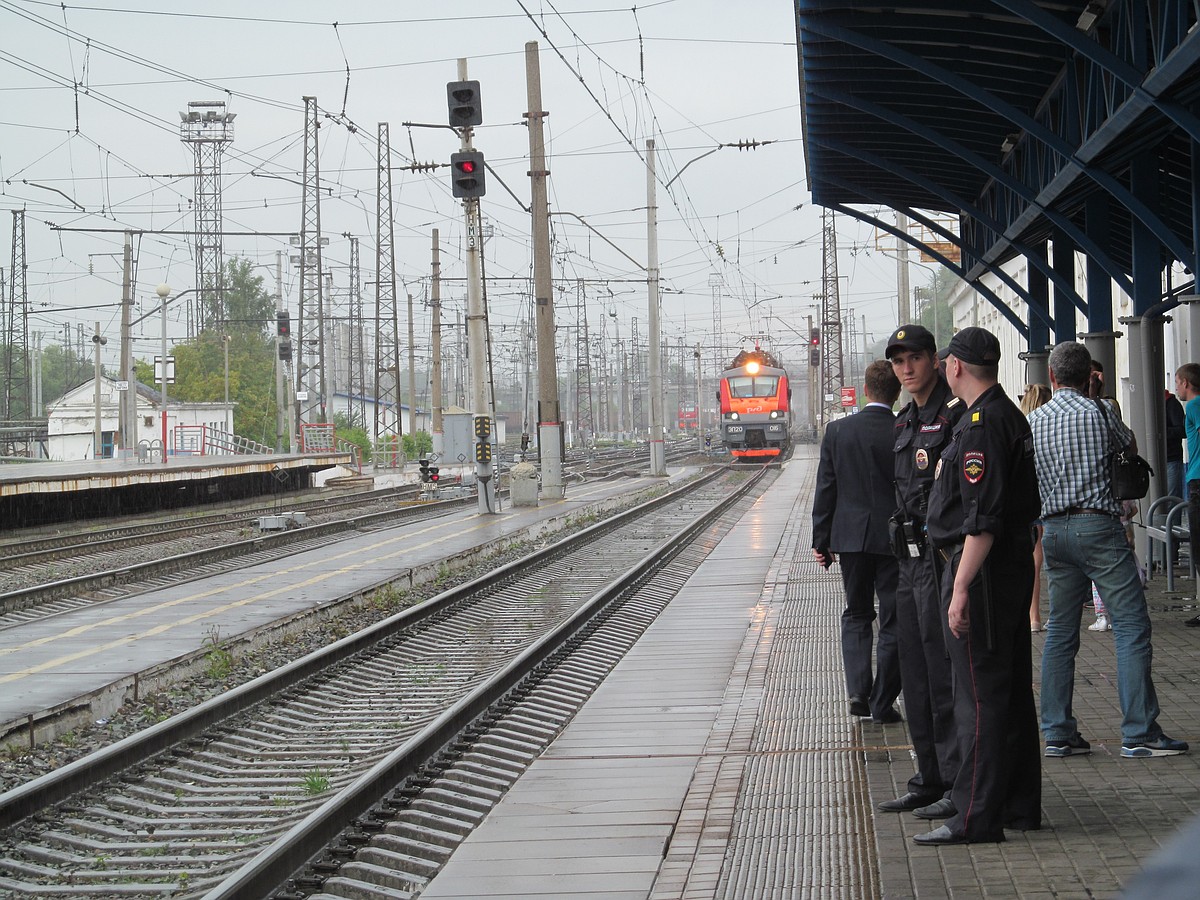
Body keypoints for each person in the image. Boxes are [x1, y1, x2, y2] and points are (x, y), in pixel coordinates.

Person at [913, 327, 1042, 846]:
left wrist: (960, 586)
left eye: (945, 362)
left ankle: (975, 817)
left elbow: (981, 519)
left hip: (982, 575)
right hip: (1005, 571)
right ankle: (1016, 805)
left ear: (956, 367)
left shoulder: (982, 426)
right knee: (1008, 693)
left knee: (979, 698)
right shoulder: (1001, 415)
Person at [1029, 342, 1188, 758]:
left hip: (1054, 532)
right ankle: (1140, 732)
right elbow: (1129, 447)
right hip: (1097, 527)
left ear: (1050, 377)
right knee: (1132, 626)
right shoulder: (1100, 412)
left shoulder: (1034, 420)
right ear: (1089, 377)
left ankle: (1057, 733)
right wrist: (1098, 400)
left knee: (1061, 632)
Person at [875, 324, 963, 820]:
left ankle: (954, 779)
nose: (905, 368)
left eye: (913, 358)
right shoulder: (904, 420)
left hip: (939, 559)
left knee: (941, 670)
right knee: (913, 670)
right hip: (907, 560)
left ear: (934, 360)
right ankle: (926, 777)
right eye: (897, 361)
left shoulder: (952, 416)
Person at [812, 360, 904, 723]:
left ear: (866, 390)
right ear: (896, 392)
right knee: (895, 621)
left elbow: (826, 488)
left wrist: (822, 540)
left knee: (856, 613)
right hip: (895, 540)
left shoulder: (838, 431)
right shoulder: (904, 428)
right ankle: (883, 702)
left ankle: (857, 692)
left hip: (850, 539)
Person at [1021, 384, 1052, 632]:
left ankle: (1033, 616)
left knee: (1034, 560)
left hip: (1031, 499)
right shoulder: (1054, 426)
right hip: (1052, 499)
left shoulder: (1025, 426)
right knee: (1045, 561)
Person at [1177, 363, 1200, 625]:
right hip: (1195, 477)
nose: (1176, 388)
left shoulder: (1194, 406)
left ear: (1186, 383)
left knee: (1199, 548)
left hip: (1197, 480)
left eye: (1177, 382)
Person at [1165, 388, 1186, 502]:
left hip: (1172, 458)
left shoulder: (1172, 404)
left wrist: (1161, 432)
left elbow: (1182, 430)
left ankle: (1173, 520)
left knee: (1172, 499)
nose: (1177, 388)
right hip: (1158, 459)